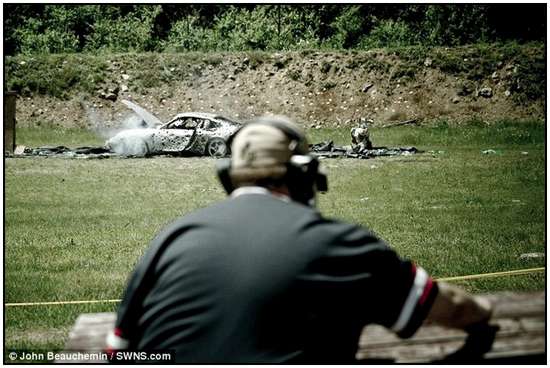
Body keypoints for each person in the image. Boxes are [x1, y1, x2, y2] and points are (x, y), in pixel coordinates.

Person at [106, 115, 493, 363]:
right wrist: (485, 311)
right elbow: (452, 309)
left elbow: (118, 350)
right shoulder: (340, 242)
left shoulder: (170, 238)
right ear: (305, 175)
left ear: (228, 176)